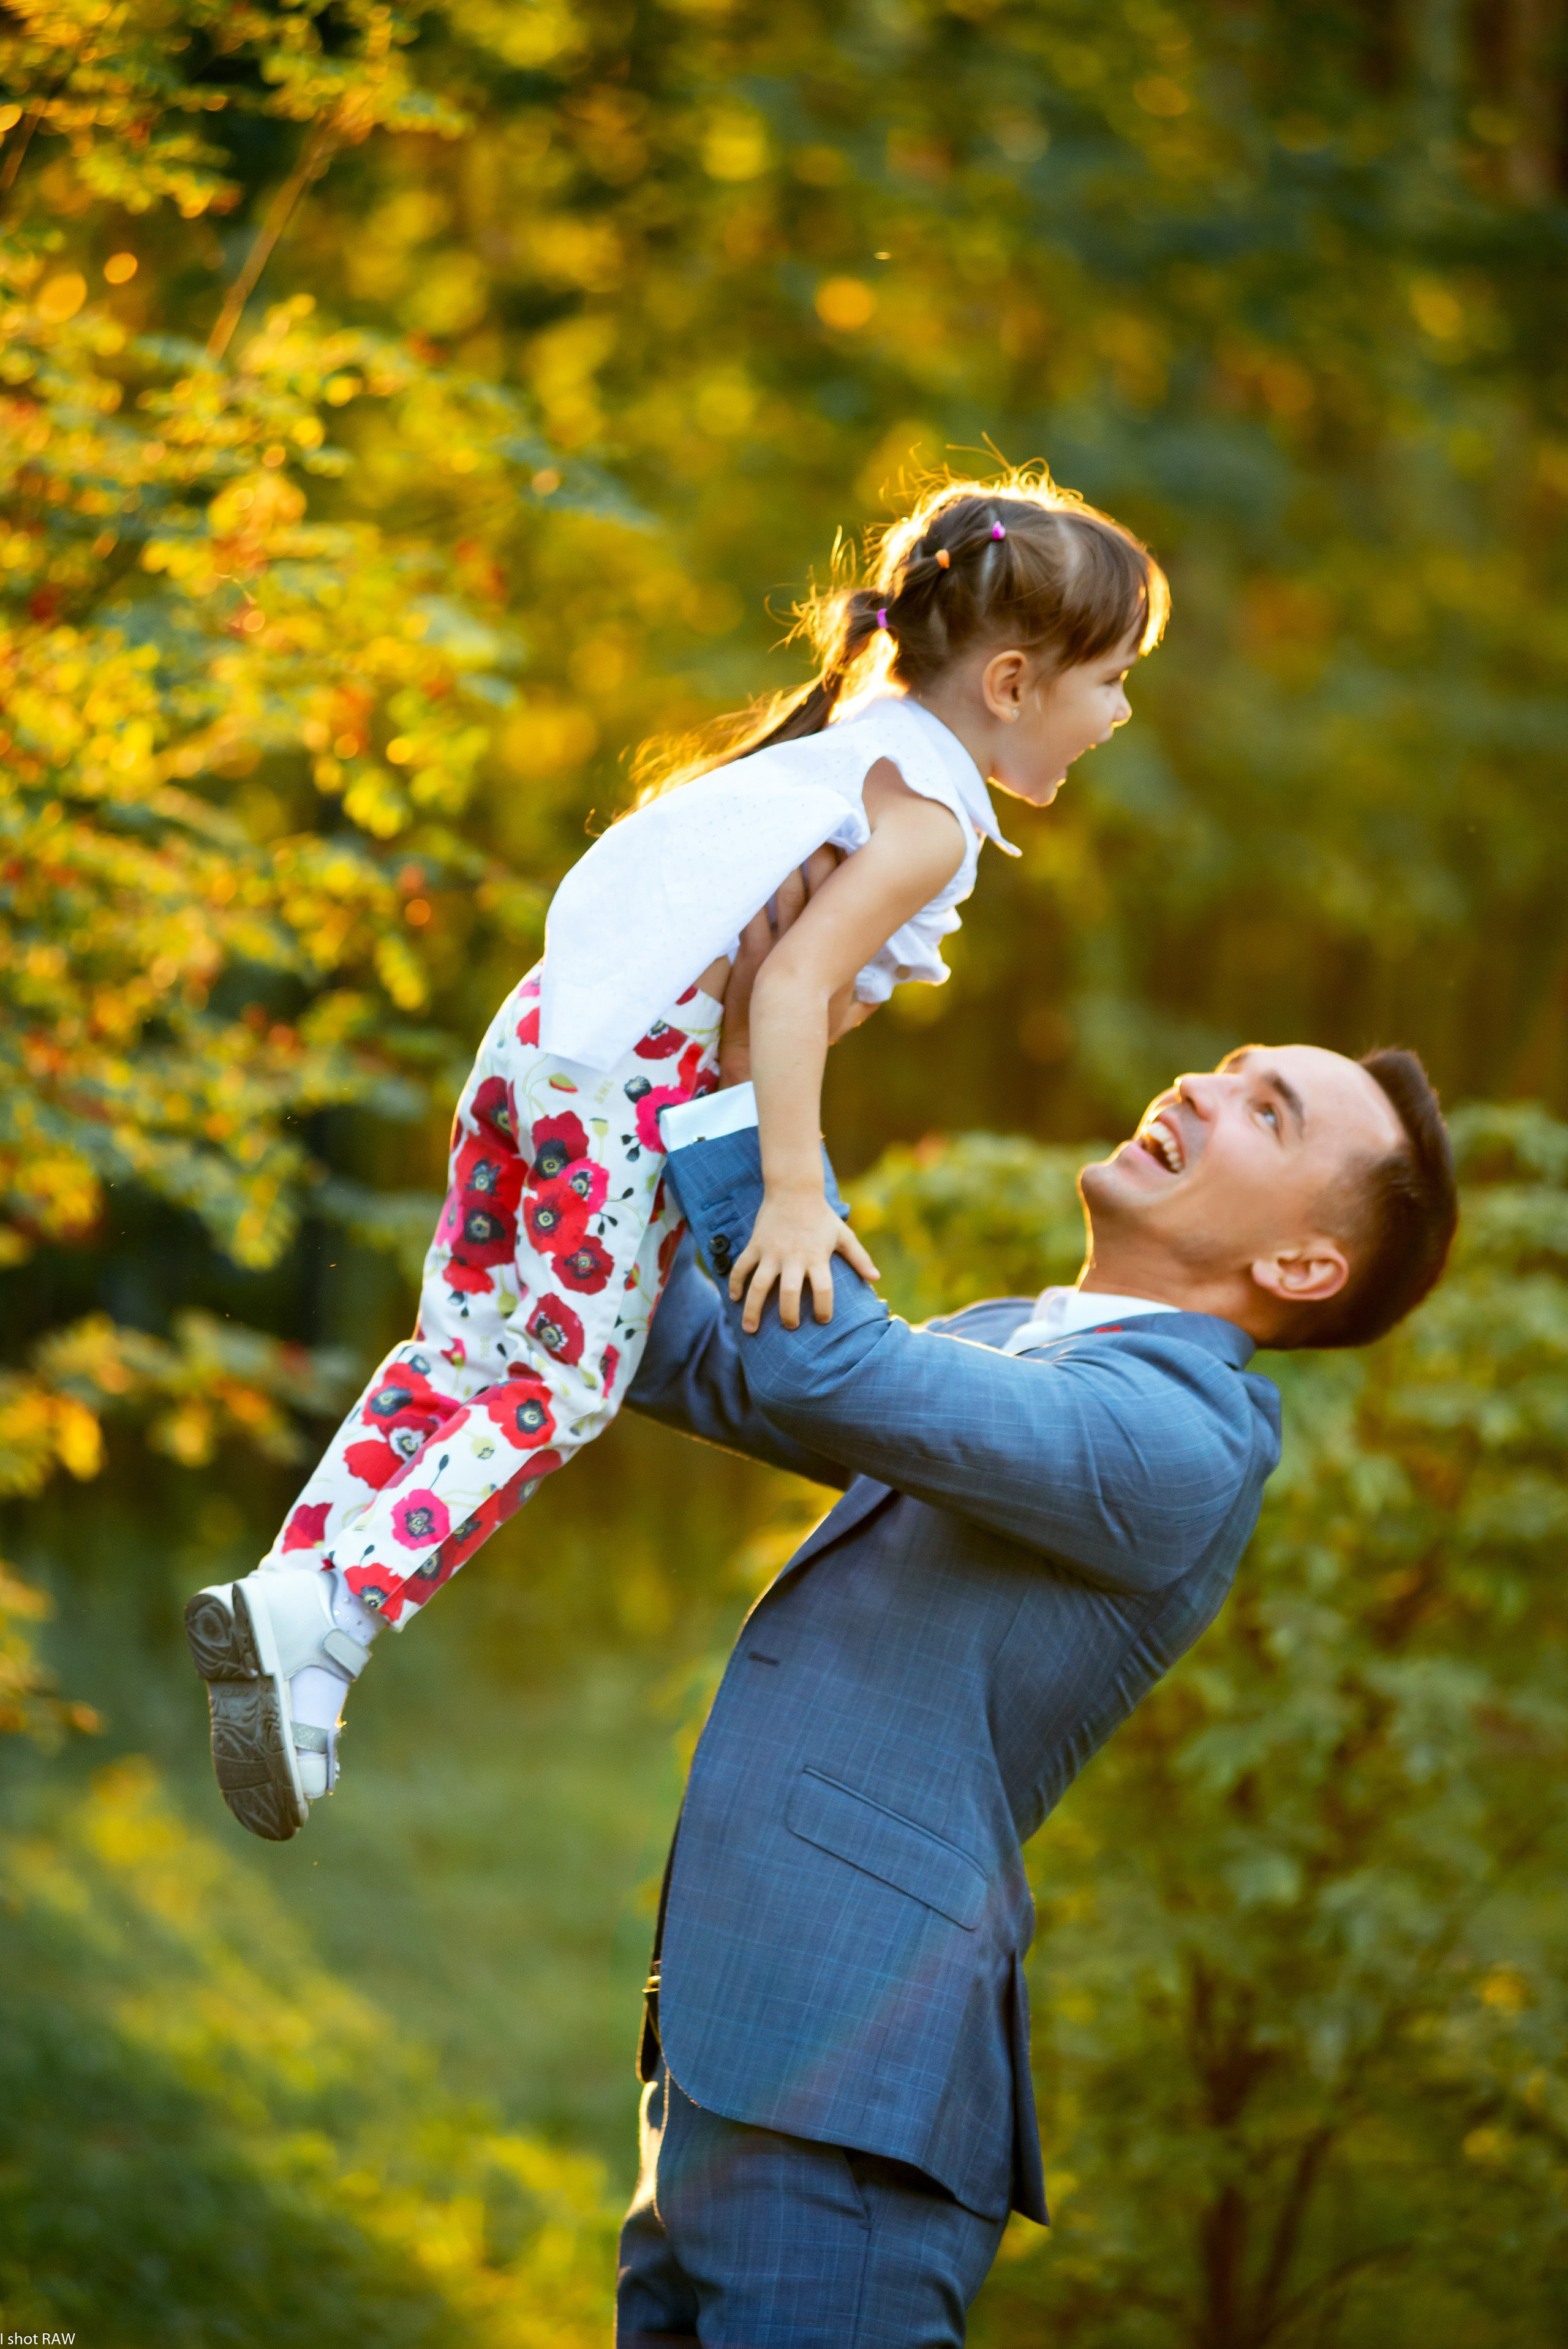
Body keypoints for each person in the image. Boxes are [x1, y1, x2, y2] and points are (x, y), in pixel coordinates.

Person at [184, 470, 1170, 1844]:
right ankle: (339, 1616)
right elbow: (781, 997)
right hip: (623, 1091)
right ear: (1011, 680)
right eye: (1113, 678)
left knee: (459, 1352)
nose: (1120, 710)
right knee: (556, 1391)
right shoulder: (930, 814)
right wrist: (785, 1192)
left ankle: (288, 1599)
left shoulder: (851, 735)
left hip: (539, 1036)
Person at [612, 958, 1457, 2347]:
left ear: (1300, 1265)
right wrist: (563, 1166)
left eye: (1268, 1110)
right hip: (730, 2068)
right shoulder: (1022, 1340)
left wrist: (758, 1069)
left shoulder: (1183, 1443)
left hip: (850, 2115)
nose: (1200, 1084)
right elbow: (720, 1360)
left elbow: (828, 1363)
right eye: (1228, 1059)